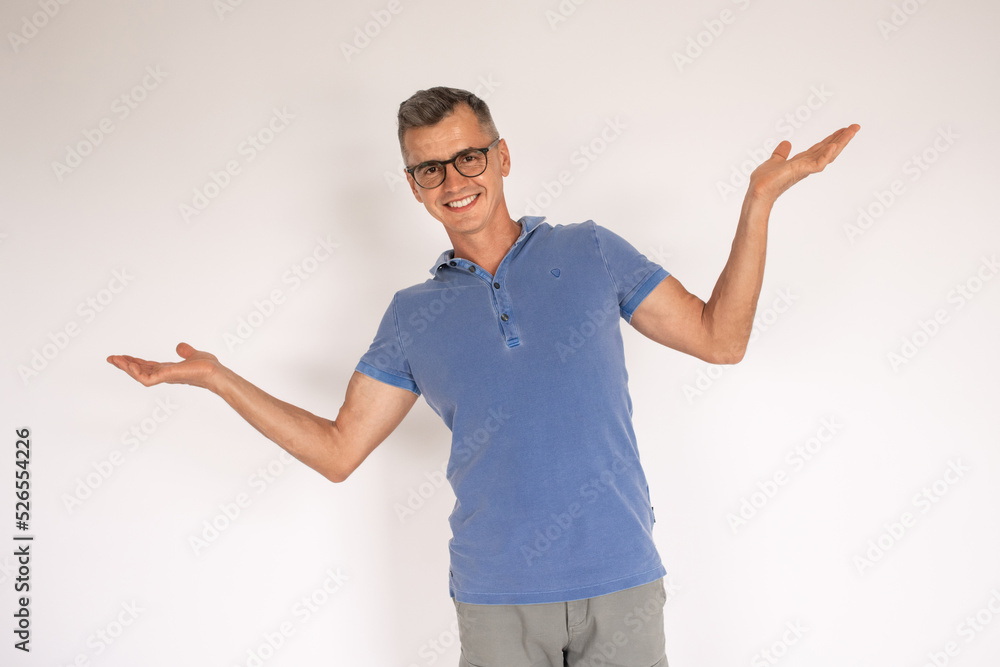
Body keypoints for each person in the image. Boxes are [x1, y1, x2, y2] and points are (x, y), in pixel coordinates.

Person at [108, 86, 859, 666]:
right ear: (414, 185)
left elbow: (721, 340)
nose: (453, 179)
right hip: (497, 601)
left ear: (501, 157)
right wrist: (220, 378)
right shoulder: (412, 315)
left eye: (468, 156)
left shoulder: (590, 250)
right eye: (429, 168)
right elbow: (339, 451)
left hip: (622, 581)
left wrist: (759, 201)